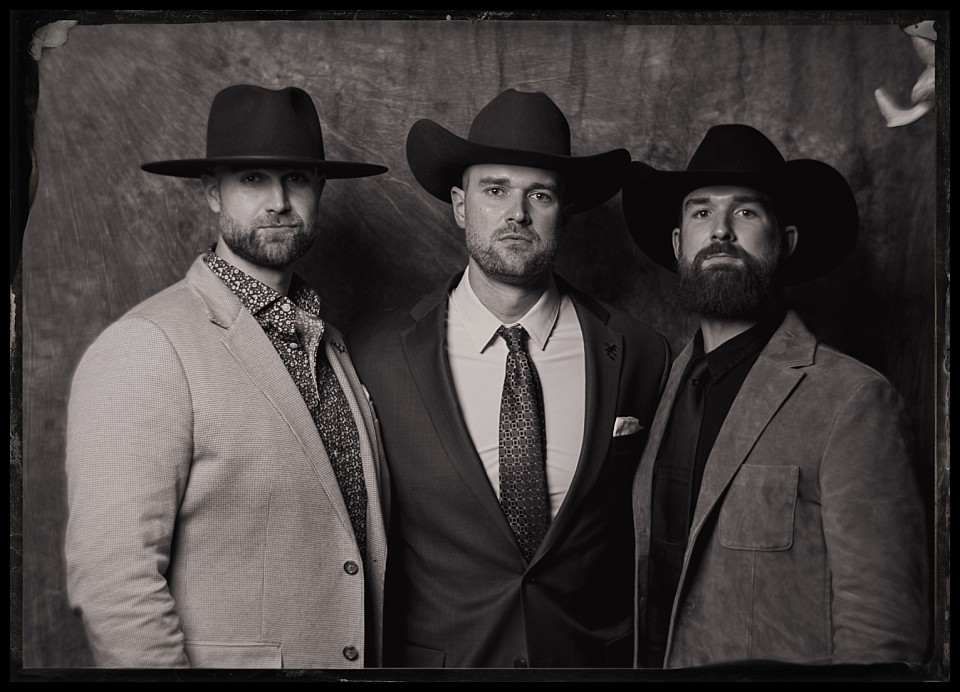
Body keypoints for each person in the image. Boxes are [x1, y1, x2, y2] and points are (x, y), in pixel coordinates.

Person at [64, 84, 391, 669]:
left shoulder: (330, 342)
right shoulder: (149, 345)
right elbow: (115, 580)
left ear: (319, 190)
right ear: (212, 192)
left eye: (296, 179)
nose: (278, 201)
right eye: (252, 179)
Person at [348, 89, 671, 668]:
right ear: (460, 205)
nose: (516, 214)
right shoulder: (376, 353)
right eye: (495, 191)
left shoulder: (641, 352)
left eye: (539, 194)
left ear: (564, 211)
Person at [621, 124, 931, 668]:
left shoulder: (853, 400)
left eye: (745, 212)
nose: (720, 231)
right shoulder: (653, 386)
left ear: (784, 241)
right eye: (700, 213)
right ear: (678, 246)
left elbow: (883, 635)